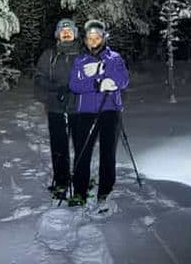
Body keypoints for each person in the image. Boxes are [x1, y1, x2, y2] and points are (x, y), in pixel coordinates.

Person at [68, 19, 130, 211]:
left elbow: (123, 79)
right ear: (85, 40)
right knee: (83, 150)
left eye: (97, 38)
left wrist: (107, 77)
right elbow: (74, 85)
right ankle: (80, 190)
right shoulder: (80, 60)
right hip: (86, 111)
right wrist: (96, 83)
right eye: (90, 38)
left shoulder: (114, 58)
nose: (93, 41)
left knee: (107, 151)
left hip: (109, 110)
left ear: (103, 38)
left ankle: (105, 189)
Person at [33, 18, 81, 200]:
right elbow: (39, 80)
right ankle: (61, 181)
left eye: (69, 30)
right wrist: (55, 91)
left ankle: (80, 180)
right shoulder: (49, 55)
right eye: (63, 31)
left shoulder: (84, 54)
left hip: (80, 108)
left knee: (82, 145)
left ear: (75, 33)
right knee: (59, 146)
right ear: (57, 35)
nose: (66, 33)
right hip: (57, 109)